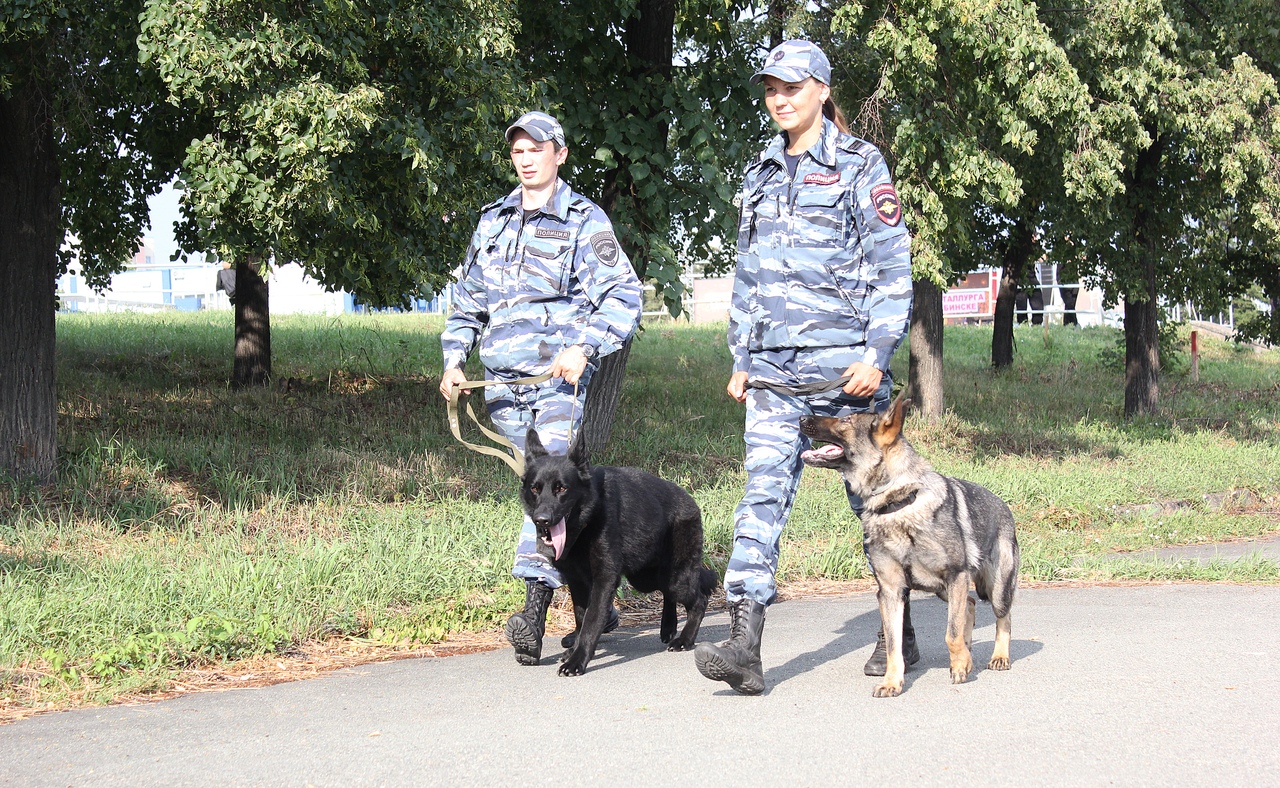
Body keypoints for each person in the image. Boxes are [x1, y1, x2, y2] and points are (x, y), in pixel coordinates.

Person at [693, 40, 914, 694]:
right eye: (771, 89)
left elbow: (893, 270)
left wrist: (877, 355)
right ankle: (745, 644)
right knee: (761, 495)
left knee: (875, 502)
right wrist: (742, 355)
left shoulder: (859, 165)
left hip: (846, 374)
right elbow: (749, 273)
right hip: (775, 377)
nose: (780, 99)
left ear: (821, 89)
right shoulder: (760, 171)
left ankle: (896, 627)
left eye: (792, 87)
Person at [439, 111, 643, 665]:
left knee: (546, 489)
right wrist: (454, 360)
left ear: (560, 153)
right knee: (550, 496)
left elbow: (624, 297)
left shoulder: (583, 219)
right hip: (503, 390)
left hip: (558, 384)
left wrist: (586, 346)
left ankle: (532, 612)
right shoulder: (493, 221)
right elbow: (467, 302)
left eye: (536, 148)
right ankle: (595, 596)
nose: (526, 158)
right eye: (518, 150)